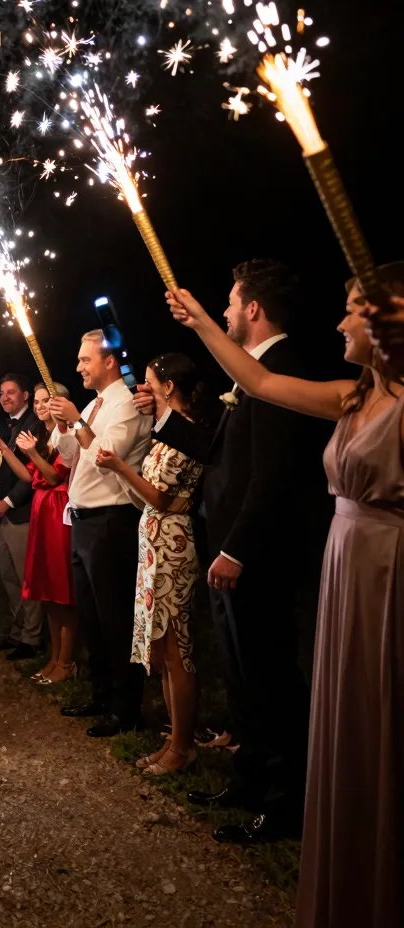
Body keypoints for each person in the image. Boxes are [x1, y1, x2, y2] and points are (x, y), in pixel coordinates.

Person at [165, 264, 403, 928]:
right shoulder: (349, 396)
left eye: (355, 309)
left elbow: (272, 473)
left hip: (388, 567)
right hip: (345, 563)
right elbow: (259, 381)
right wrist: (202, 321)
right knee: (336, 704)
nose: (340, 321)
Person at [144, 260, 315, 843]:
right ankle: (246, 781)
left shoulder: (283, 371)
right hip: (225, 548)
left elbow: (272, 475)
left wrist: (238, 548)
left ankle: (286, 800)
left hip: (255, 554)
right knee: (242, 676)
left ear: (254, 310)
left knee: (269, 675)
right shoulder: (249, 376)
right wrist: (165, 420)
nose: (224, 311)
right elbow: (220, 455)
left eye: (230, 302)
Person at [95, 354, 215, 776]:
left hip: (173, 544)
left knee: (176, 647)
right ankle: (173, 740)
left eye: (147, 382)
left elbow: (163, 498)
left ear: (168, 386)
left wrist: (119, 467)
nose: (140, 390)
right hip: (154, 539)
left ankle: (184, 747)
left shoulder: (190, 433)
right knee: (162, 650)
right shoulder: (166, 433)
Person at [47, 330, 152, 738]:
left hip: (113, 519)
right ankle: (100, 693)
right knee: (91, 616)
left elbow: (107, 458)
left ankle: (126, 707)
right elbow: (72, 458)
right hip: (84, 519)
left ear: (109, 361)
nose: (78, 367)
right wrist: (63, 426)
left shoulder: (127, 405)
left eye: (85, 359)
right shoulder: (94, 404)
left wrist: (76, 421)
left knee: (115, 617)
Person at [0, 383, 78, 685]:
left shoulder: (65, 436)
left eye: (45, 401)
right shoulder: (45, 436)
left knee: (61, 590)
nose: (40, 406)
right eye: (37, 401)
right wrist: (6, 450)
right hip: (42, 509)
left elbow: (53, 476)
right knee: (48, 591)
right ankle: (54, 659)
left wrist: (31, 453)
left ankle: (67, 660)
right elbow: (28, 475)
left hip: (57, 510)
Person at [0, 374, 44, 660]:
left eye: (11, 392)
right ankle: (17, 632)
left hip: (21, 513)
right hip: (2, 514)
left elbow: (31, 475)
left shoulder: (33, 423)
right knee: (9, 578)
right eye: (2, 393)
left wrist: (7, 502)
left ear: (25, 395)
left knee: (27, 578)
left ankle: (32, 639)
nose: (5, 397)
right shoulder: (4, 428)